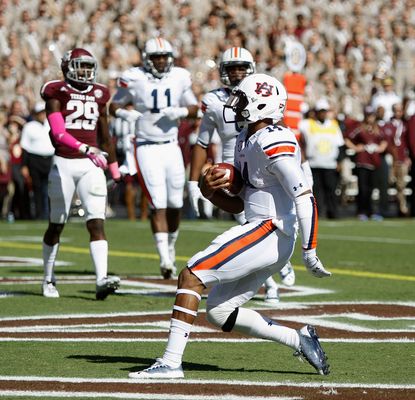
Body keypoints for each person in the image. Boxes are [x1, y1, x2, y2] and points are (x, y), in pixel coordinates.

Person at [129, 73, 331, 380]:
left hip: (271, 230)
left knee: (191, 275)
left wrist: (310, 251)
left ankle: (171, 362)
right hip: (263, 228)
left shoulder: (273, 140)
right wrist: (212, 193)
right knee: (219, 312)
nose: (235, 106)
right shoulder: (245, 139)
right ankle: (298, 338)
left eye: (243, 100)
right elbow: (240, 203)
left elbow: (304, 195)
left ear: (262, 105)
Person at [187, 47, 294, 303]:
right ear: (223, 71)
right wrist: (194, 183)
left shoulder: (263, 91)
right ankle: (270, 284)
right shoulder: (213, 100)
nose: (236, 73)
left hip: (263, 161)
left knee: (276, 218)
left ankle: (281, 260)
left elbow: (280, 127)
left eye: (241, 67)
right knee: (247, 223)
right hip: (233, 166)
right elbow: (202, 142)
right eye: (231, 68)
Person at [110, 38, 199, 279]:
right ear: (147, 59)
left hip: (171, 147)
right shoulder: (134, 77)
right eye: (156, 57)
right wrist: (122, 113)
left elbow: (194, 107)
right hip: (146, 147)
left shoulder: (180, 76)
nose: (161, 61)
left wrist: (181, 111)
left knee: (175, 205)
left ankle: (170, 244)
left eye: (164, 56)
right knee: (157, 203)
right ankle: (164, 258)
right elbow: (114, 103)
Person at [40, 48, 121, 299]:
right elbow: (58, 133)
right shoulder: (56, 92)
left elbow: (106, 136)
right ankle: (48, 278)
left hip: (91, 165)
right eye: (80, 66)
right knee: (57, 223)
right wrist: (85, 148)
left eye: (88, 66)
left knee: (96, 221)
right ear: (67, 67)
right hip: (64, 163)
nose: (85, 71)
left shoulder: (100, 94)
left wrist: (115, 170)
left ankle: (101, 280)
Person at [299, 98, 346, 219]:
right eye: (320, 111)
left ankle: (333, 213)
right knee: (317, 191)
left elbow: (340, 145)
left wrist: (339, 161)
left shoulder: (334, 125)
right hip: (314, 163)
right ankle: (318, 213)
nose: (323, 114)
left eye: (325, 111)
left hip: (330, 163)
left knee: (331, 190)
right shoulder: (307, 124)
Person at [345, 106, 388, 221]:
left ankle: (371, 211)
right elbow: (347, 138)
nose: (370, 118)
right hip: (363, 161)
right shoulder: (359, 128)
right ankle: (362, 211)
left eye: (372, 115)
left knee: (372, 188)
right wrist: (356, 148)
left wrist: (379, 148)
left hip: (374, 162)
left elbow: (385, 141)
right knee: (363, 188)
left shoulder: (378, 129)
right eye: (368, 115)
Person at [20, 102, 55, 219]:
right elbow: (25, 147)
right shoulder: (29, 126)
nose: (42, 115)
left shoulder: (51, 125)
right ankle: (39, 214)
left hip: (49, 159)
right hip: (34, 159)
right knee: (37, 187)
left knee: (50, 188)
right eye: (40, 113)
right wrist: (24, 165)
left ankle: (50, 213)